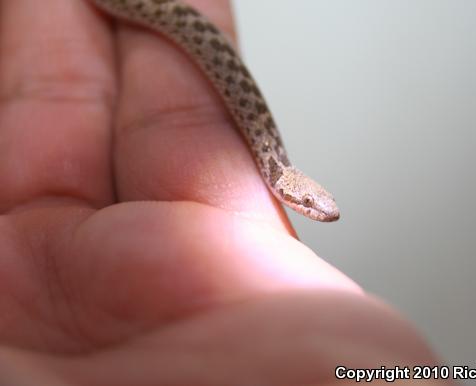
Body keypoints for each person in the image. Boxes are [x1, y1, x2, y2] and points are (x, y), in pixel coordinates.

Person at [0, 0, 452, 384]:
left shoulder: (278, 164)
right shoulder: (276, 167)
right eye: (311, 204)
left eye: (313, 204)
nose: (320, 211)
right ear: (292, 195)